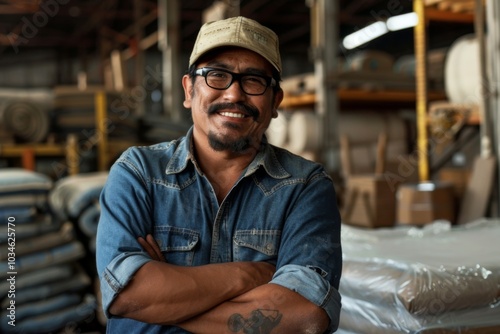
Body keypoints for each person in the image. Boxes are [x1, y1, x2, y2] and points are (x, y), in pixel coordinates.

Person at [96, 16, 342, 334]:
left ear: (275, 101)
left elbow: (304, 315)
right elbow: (126, 295)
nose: (233, 95)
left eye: (254, 80)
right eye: (217, 75)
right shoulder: (139, 173)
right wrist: (250, 276)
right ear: (188, 90)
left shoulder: (305, 187)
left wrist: (162, 300)